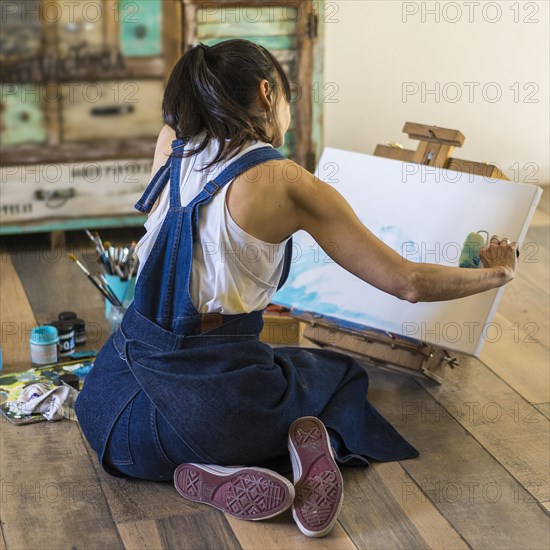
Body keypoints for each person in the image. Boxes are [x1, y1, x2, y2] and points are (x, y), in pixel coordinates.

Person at [75, 39, 519, 538]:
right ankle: (261, 456)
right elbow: (408, 283)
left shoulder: (171, 144)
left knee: (209, 405)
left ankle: (217, 474)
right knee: (334, 374)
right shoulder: (287, 182)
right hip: (214, 416)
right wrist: (496, 275)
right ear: (267, 93)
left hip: (109, 411)